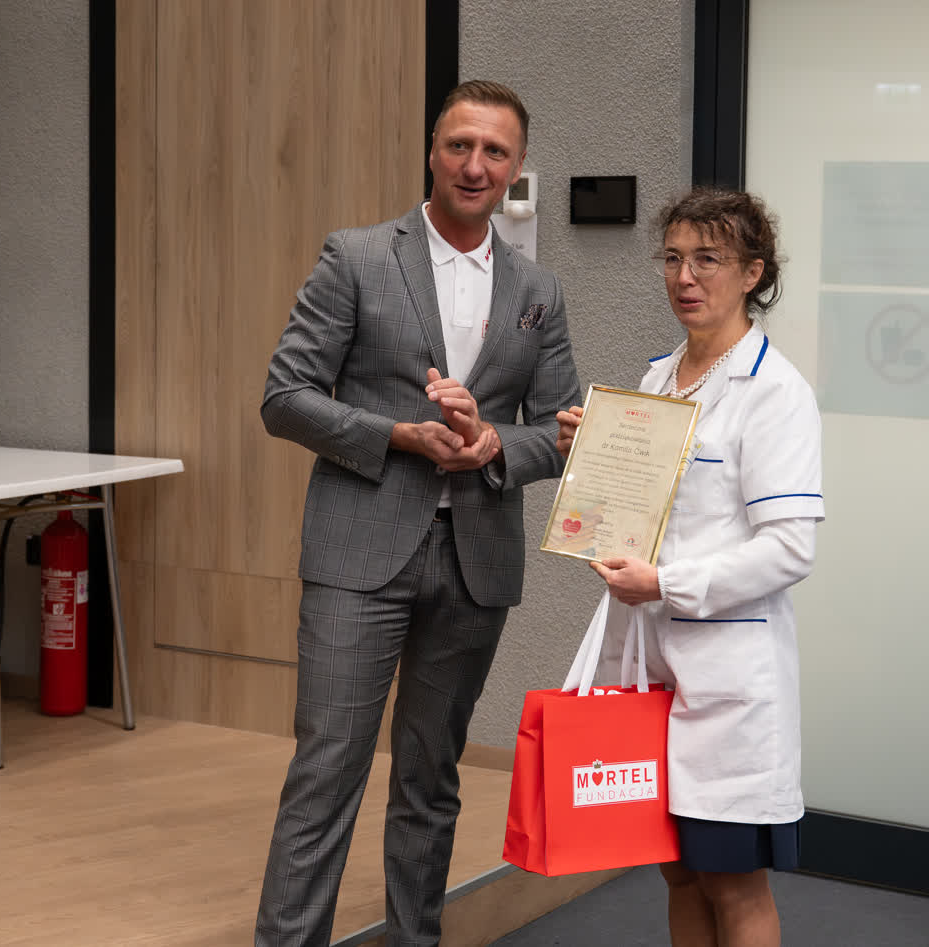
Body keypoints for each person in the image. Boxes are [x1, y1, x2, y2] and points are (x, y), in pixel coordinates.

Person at [257, 79, 581, 945]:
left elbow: (563, 430)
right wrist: (398, 434)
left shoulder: (538, 288)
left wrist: (495, 445)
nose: (475, 165)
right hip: (358, 553)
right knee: (327, 772)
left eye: (495, 152)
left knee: (431, 778)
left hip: (475, 561)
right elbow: (284, 398)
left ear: (517, 167)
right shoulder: (357, 257)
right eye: (459, 145)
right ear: (432, 150)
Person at [555, 188, 823, 947]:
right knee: (676, 870)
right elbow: (646, 516)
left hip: (728, 683)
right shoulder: (658, 379)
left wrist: (666, 584)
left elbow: (790, 547)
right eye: (673, 258)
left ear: (752, 273)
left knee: (732, 882)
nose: (685, 276)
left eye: (708, 259)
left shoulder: (774, 392)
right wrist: (593, 460)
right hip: (651, 671)